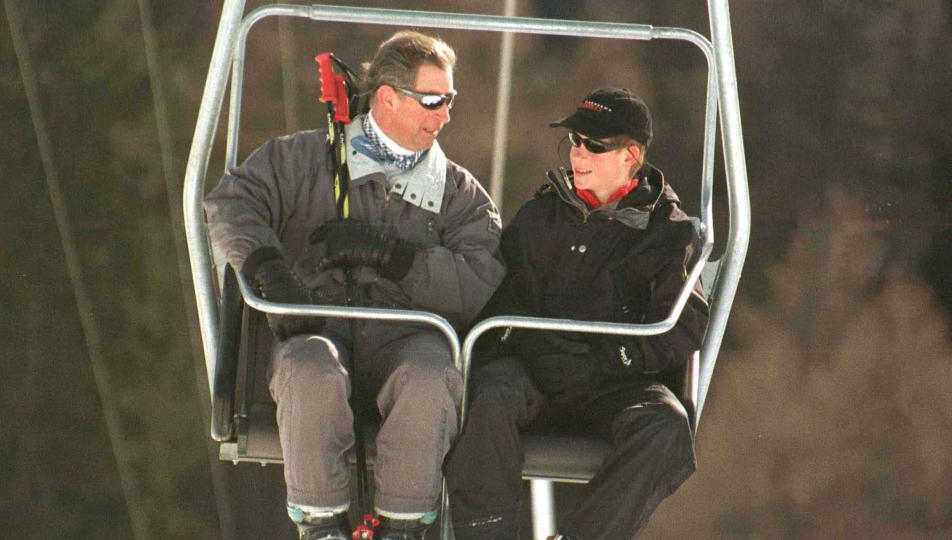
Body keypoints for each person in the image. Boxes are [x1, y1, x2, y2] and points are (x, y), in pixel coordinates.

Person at [204, 31, 504, 540]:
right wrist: (270, 272)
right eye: (433, 100)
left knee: (430, 377)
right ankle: (321, 523)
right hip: (319, 320)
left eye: (450, 100)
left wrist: (397, 260)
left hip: (408, 335)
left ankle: (404, 525)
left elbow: (480, 277)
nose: (445, 115)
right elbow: (232, 204)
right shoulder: (305, 161)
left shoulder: (457, 193)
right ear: (387, 97)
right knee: (308, 367)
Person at [444, 88, 709, 539]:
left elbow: (683, 324)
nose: (578, 154)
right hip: (534, 374)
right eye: (575, 141)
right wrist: (536, 347)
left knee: (666, 427)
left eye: (594, 145)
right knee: (489, 399)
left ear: (631, 155)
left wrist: (608, 361)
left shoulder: (667, 233)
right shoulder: (540, 217)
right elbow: (499, 300)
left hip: (615, 383)